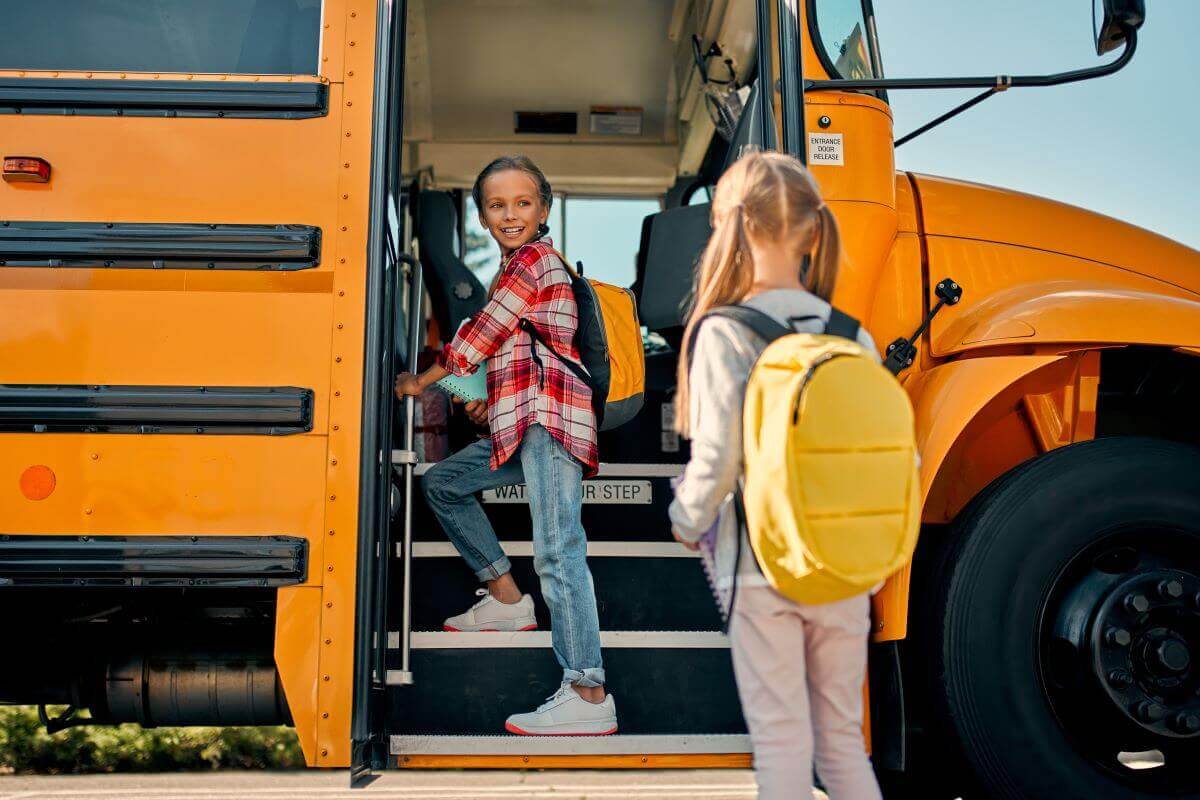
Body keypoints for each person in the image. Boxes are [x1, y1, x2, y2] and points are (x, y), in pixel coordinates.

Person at [668, 151, 883, 799]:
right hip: (843, 566)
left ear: (729, 228)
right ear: (814, 231)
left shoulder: (724, 333)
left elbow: (720, 452)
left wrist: (686, 519)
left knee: (783, 739)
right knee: (843, 741)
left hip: (761, 564)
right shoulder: (854, 336)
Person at [394, 155, 616, 736]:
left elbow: (480, 335)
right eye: (497, 205)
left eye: (523, 203)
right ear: (483, 215)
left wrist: (418, 380)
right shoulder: (517, 268)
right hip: (520, 421)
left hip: (549, 421)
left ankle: (587, 690)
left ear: (545, 209)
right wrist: (486, 399)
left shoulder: (534, 262)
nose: (510, 214)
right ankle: (506, 596)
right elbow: (513, 352)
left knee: (558, 549)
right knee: (444, 482)